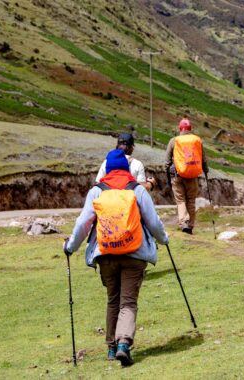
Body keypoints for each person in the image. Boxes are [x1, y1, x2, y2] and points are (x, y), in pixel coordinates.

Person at [64, 149, 169, 367]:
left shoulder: (96, 191)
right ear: (126, 168)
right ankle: (123, 344)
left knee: (113, 299)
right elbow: (153, 222)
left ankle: (111, 347)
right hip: (134, 254)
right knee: (128, 301)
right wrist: (164, 239)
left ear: (107, 169)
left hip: (106, 254)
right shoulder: (137, 190)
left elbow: (83, 224)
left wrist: (70, 247)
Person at [164, 118, 208, 234]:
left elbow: (167, 162)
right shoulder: (197, 141)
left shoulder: (174, 141)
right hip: (192, 176)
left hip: (177, 175)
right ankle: (191, 225)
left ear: (180, 129)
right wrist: (206, 170)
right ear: (190, 129)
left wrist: (168, 175)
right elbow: (203, 159)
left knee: (180, 200)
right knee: (191, 201)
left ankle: (183, 222)